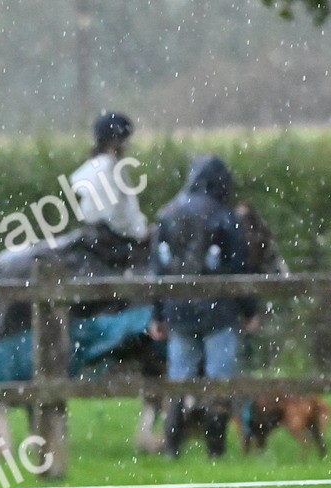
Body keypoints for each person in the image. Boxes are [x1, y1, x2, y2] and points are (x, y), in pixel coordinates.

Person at [148, 155, 257, 457]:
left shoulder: (168, 215)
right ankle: (215, 450)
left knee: (179, 381)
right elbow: (238, 267)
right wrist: (249, 309)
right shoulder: (224, 216)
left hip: (178, 310)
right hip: (219, 311)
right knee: (218, 381)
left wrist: (157, 313)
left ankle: (171, 447)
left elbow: (158, 270)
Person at [69, 111, 150, 268]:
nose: (128, 144)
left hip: (103, 237)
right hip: (111, 244)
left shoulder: (99, 165)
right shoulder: (108, 168)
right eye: (125, 139)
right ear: (115, 140)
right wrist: (140, 233)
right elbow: (116, 212)